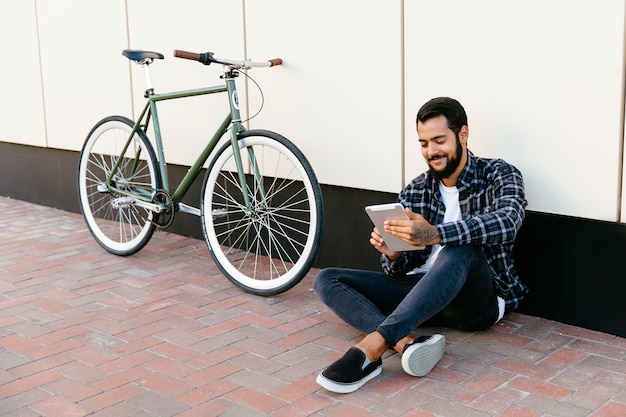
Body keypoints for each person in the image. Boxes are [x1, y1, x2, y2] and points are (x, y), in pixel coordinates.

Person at [313, 97, 528, 394]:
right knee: (327, 279)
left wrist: (435, 234)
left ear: (462, 135)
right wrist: (395, 253)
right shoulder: (416, 189)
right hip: (423, 296)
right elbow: (400, 269)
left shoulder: (499, 174)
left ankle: (373, 348)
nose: (431, 151)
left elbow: (508, 221)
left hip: (477, 301)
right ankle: (406, 342)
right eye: (424, 143)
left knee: (460, 246)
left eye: (439, 140)